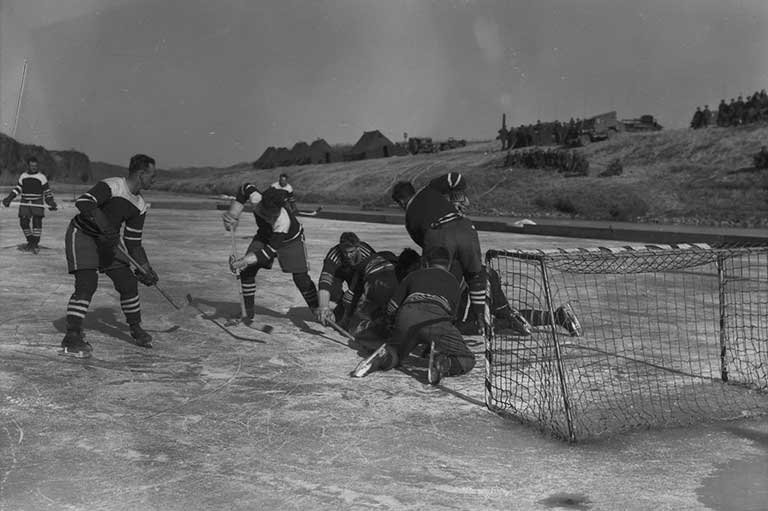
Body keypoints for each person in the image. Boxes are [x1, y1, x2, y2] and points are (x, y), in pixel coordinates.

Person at [61, 154, 159, 358]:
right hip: (83, 236)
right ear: (141, 174)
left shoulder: (140, 205)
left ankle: (135, 328)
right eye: (152, 175)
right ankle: (72, 335)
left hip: (108, 242)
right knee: (87, 284)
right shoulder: (113, 186)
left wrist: (145, 268)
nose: (154, 180)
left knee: (128, 283)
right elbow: (84, 202)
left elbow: (133, 243)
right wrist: (105, 226)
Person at [351, 246, 474, 385]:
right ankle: (444, 364)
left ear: (426, 263)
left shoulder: (413, 276)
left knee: (396, 352)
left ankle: (383, 358)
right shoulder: (453, 282)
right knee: (467, 358)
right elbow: (452, 318)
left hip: (407, 316)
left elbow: (392, 306)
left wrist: (393, 325)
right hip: (436, 318)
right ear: (449, 265)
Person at [391, 178, 486, 334]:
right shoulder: (430, 189)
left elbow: (434, 252)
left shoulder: (410, 219)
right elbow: (455, 178)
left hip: (439, 234)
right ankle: (480, 319)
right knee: (475, 274)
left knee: (434, 280)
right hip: (466, 227)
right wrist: (459, 199)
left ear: (401, 202)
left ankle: (434, 325)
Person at [225, 187, 318, 318]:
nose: (272, 217)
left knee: (301, 278)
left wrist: (243, 261)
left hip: (291, 240)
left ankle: (318, 310)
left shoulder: (283, 222)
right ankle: (248, 311)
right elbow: (243, 189)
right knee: (247, 271)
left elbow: (267, 253)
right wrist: (233, 214)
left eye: (275, 214)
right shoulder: (256, 198)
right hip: (265, 235)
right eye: (269, 214)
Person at [315, 232, 376, 326]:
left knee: (359, 295)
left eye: (351, 252)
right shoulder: (334, 255)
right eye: (345, 252)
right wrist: (323, 306)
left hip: (360, 275)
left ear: (358, 248)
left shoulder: (367, 254)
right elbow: (325, 281)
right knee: (332, 292)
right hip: (339, 274)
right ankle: (340, 311)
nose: (348, 255)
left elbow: (375, 277)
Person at [2, 156, 58, 254]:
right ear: (28, 166)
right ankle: (30, 240)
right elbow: (17, 189)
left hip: (37, 202)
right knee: (23, 222)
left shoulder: (42, 177)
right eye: (32, 166)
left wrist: (51, 203)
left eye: (35, 166)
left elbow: (47, 192)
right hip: (25, 202)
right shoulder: (23, 176)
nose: (34, 168)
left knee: (37, 222)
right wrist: (9, 199)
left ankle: (35, 243)